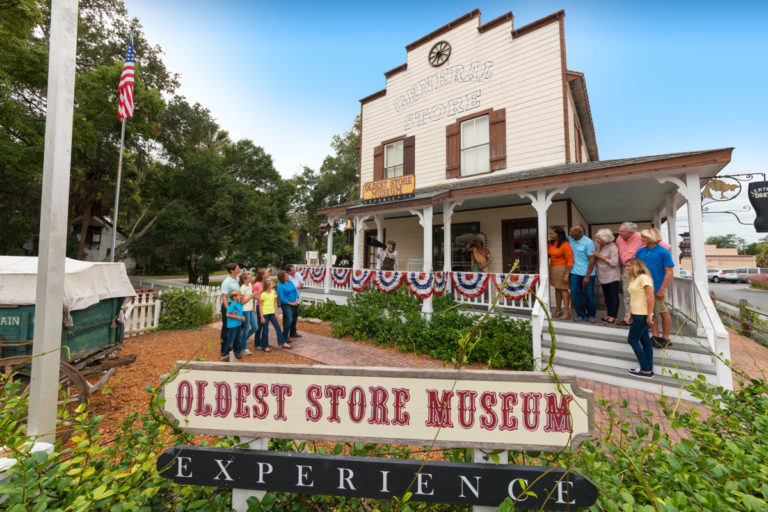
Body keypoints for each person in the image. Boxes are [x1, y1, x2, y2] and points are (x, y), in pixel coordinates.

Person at [636, 228, 674, 349]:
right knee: (650, 313)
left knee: (663, 311)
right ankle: (656, 336)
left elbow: (669, 272)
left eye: (644, 237)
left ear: (651, 238)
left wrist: (662, 289)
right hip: (643, 288)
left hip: (657, 288)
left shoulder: (663, 252)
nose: (641, 239)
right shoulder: (640, 252)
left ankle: (666, 337)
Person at [624, 258, 655, 378]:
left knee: (632, 340)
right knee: (645, 342)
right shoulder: (634, 279)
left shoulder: (644, 278)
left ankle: (645, 369)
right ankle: (648, 369)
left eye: (629, 266)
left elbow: (650, 298)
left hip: (642, 315)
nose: (627, 268)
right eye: (626, 266)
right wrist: (629, 313)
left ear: (636, 266)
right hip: (636, 313)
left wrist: (649, 315)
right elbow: (634, 298)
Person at [616, 222, 644, 325]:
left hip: (639, 269)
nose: (619, 233)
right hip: (626, 269)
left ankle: (641, 320)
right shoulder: (619, 239)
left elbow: (664, 246)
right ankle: (628, 319)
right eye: (620, 231)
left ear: (631, 232)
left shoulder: (641, 236)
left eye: (622, 231)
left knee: (640, 294)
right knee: (627, 294)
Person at [567, 225, 597, 322]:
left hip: (587, 273)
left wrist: (587, 276)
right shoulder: (570, 239)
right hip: (574, 273)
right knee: (575, 293)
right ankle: (581, 314)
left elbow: (592, 260)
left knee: (589, 295)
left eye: (572, 232)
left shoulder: (588, 242)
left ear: (579, 232)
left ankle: (591, 314)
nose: (569, 234)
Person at [592, 229, 621, 325]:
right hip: (602, 274)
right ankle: (609, 314)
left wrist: (599, 256)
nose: (596, 240)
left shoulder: (613, 247)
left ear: (605, 239)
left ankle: (614, 316)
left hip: (612, 275)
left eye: (598, 238)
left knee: (613, 295)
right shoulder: (597, 245)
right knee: (607, 296)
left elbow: (614, 262)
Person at [547, 226, 573, 320]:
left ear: (558, 234)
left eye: (552, 234)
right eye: (550, 233)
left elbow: (570, 259)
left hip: (562, 268)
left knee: (563, 289)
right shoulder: (551, 243)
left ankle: (567, 312)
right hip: (553, 268)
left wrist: (567, 274)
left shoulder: (565, 244)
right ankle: (558, 310)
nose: (550, 235)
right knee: (557, 289)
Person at [260, 278, 291, 350]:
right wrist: (262, 317)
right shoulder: (263, 294)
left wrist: (276, 312)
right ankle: (265, 346)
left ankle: (283, 343)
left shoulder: (273, 292)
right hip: (265, 313)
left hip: (272, 313)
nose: (273, 285)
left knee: (278, 328)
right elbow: (260, 306)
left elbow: (275, 302)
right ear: (267, 286)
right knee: (265, 330)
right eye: (271, 284)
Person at [219, 262, 240, 351]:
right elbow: (224, 297)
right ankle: (224, 349)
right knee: (226, 328)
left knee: (236, 327)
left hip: (236, 305)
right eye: (237, 268)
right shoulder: (226, 282)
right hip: (228, 305)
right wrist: (229, 310)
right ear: (232, 270)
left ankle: (233, 348)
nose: (239, 269)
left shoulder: (236, 279)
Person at [277, 270, 300, 342]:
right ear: (282, 277)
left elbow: (295, 291)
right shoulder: (280, 286)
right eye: (286, 275)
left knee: (290, 319)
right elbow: (282, 298)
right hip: (286, 305)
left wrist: (296, 300)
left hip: (294, 303)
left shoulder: (290, 283)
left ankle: (286, 336)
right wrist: (291, 303)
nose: (288, 276)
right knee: (288, 320)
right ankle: (284, 337)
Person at [223, 289, 245, 360]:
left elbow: (239, 313)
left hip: (238, 324)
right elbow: (227, 314)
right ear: (234, 297)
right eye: (239, 295)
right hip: (233, 326)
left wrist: (242, 317)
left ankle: (237, 352)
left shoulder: (238, 304)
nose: (240, 296)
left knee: (238, 339)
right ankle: (226, 354)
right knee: (231, 340)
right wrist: (236, 317)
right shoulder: (232, 305)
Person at [238, 272, 255, 355]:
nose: (251, 278)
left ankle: (242, 339)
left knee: (255, 327)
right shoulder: (243, 288)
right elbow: (242, 302)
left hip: (251, 309)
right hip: (245, 310)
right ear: (245, 279)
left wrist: (253, 308)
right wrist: (252, 296)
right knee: (246, 328)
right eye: (249, 277)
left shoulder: (250, 285)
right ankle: (243, 348)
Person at [285, 264, 303, 338]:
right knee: (289, 318)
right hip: (290, 301)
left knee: (295, 317)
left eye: (294, 269)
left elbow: (302, 283)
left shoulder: (297, 275)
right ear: (289, 272)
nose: (294, 270)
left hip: (297, 299)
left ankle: (293, 332)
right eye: (292, 269)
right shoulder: (287, 278)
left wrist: (299, 286)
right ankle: (286, 334)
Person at [251, 269, 265, 350]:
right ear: (262, 275)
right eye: (266, 273)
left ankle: (263, 342)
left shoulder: (267, 282)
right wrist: (259, 299)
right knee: (259, 325)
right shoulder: (256, 284)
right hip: (259, 305)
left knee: (265, 325)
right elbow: (253, 295)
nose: (267, 274)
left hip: (266, 307)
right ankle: (257, 343)